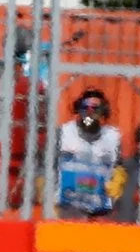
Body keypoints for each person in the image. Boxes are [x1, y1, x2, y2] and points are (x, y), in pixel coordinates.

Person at [54, 88, 125, 219]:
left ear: (103, 112)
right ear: (78, 109)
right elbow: (47, 165)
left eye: (95, 108)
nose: (89, 113)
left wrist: (118, 180)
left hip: (100, 211)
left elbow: (119, 168)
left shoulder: (112, 137)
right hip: (67, 208)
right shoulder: (64, 133)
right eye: (85, 107)